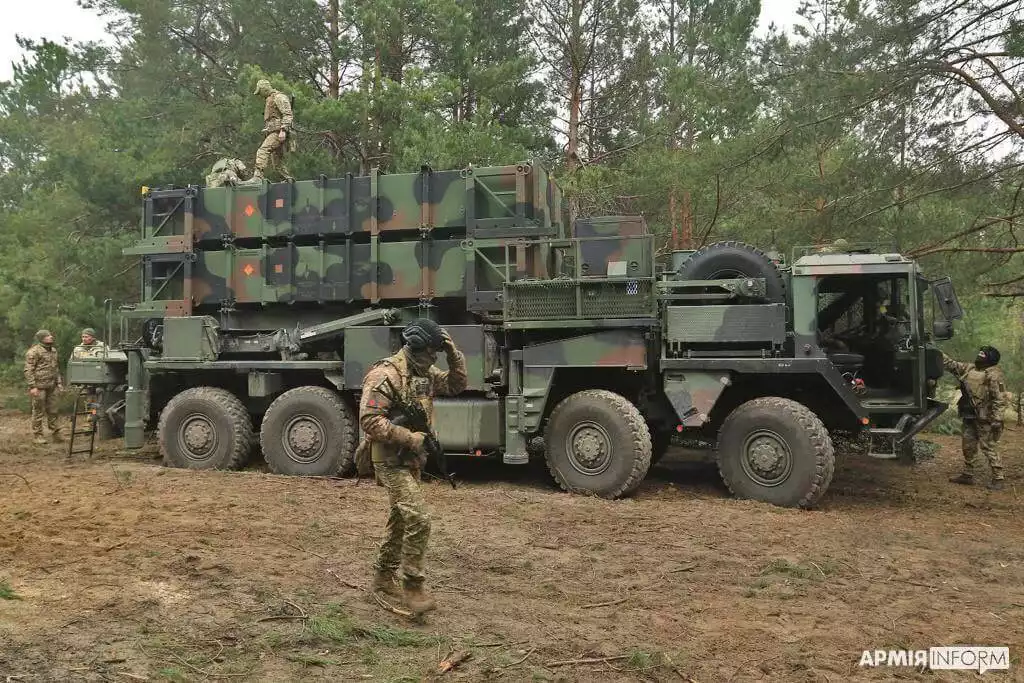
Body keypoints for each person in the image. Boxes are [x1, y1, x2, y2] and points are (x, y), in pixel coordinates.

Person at [358, 319, 467, 616]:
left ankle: (382, 577)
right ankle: (413, 586)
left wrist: (453, 354)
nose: (435, 357)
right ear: (417, 348)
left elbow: (456, 385)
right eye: (432, 352)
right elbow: (369, 420)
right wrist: (409, 437)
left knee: (401, 519)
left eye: (437, 352)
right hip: (389, 459)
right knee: (418, 518)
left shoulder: (424, 372)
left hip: (410, 459)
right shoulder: (386, 375)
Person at [943, 346, 1008, 490]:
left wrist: (997, 419)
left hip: (985, 418)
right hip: (969, 414)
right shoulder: (969, 369)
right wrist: (936, 352)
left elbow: (1000, 398)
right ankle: (968, 474)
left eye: (983, 354)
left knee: (988, 447)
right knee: (968, 445)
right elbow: (951, 364)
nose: (980, 355)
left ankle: (998, 478)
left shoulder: (994, 375)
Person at [24, 330, 64, 445]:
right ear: (42, 338)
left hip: (52, 385)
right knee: (38, 411)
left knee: (53, 410)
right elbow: (28, 370)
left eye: (50, 335)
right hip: (39, 386)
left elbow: (56, 368)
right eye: (47, 336)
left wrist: (59, 383)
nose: (51, 337)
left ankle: (56, 433)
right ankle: (38, 435)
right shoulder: (34, 352)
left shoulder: (53, 350)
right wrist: (32, 386)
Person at [252, 79, 294, 182]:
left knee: (263, 150)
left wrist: (283, 130)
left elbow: (288, 114)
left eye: (260, 92)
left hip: (278, 133)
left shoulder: (279, 97)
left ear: (264, 89)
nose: (260, 95)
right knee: (277, 162)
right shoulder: (270, 99)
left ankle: (258, 177)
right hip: (274, 132)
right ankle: (288, 180)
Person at [71, 328, 107, 433]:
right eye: (83, 336)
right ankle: (91, 423)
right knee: (91, 403)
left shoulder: (102, 347)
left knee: (101, 401)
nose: (84, 338)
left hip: (101, 380)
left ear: (92, 337)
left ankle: (102, 423)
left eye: (86, 336)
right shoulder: (78, 349)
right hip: (87, 380)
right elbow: (73, 363)